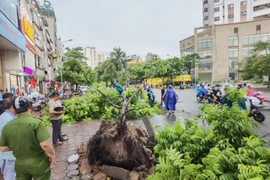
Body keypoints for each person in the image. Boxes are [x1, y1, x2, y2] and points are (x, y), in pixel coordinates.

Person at [0, 96, 55, 180]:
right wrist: (52, 154)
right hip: (38, 161)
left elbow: (3, 148)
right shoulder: (37, 123)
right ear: (30, 106)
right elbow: (45, 145)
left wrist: (17, 145)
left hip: (19, 163)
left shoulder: (7, 126)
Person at [0, 93, 16, 179]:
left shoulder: (9, 117)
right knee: (10, 176)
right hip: (8, 156)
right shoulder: (6, 119)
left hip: (9, 155)